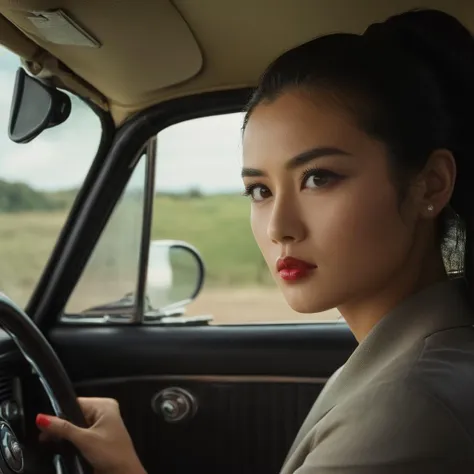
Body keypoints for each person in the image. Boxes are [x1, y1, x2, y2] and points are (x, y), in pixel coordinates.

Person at [35, 8, 474, 474]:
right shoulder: (416, 359)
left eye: (319, 178)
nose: (278, 227)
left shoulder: (407, 403)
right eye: (260, 191)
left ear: (429, 185)